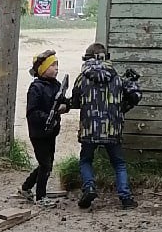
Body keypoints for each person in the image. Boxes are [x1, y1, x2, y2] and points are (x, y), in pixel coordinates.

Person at [68, 41, 141, 211]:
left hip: (89, 129)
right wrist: (122, 110)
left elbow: (75, 101)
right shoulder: (116, 77)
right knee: (119, 164)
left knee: (86, 160)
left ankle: (89, 188)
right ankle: (126, 198)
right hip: (112, 128)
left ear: (87, 58)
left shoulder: (82, 78)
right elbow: (134, 95)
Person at [21, 49, 67, 203]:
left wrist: (64, 107)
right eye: (52, 65)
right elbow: (32, 112)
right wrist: (47, 117)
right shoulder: (36, 88)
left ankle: (26, 187)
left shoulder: (57, 85)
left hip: (51, 131)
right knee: (45, 164)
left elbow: (64, 102)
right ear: (42, 69)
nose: (56, 68)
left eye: (57, 65)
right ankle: (41, 196)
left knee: (46, 164)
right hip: (38, 132)